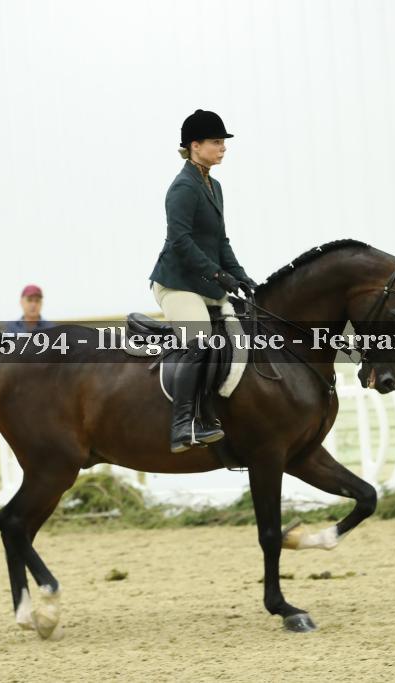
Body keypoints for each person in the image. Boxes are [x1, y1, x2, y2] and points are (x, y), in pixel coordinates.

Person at [148, 109, 258, 453]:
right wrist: (217, 273)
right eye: (216, 142)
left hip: (207, 284)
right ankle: (183, 423)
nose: (223, 147)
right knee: (201, 342)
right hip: (178, 284)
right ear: (194, 146)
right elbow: (180, 241)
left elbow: (220, 242)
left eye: (223, 142)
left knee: (241, 336)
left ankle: (214, 413)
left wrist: (241, 277)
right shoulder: (183, 187)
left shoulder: (214, 186)